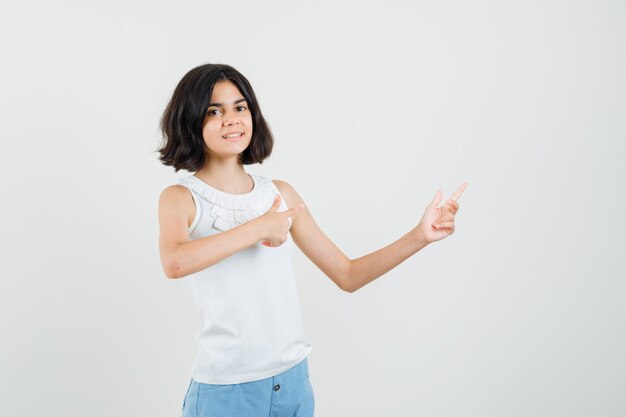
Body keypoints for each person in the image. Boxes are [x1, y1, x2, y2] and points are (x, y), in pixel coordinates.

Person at [156, 63, 467, 417]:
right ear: (191, 120)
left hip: (292, 384)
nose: (231, 119)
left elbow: (347, 274)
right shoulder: (181, 198)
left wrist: (419, 236)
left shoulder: (281, 194)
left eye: (240, 107)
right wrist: (259, 228)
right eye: (215, 111)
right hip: (226, 393)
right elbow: (175, 262)